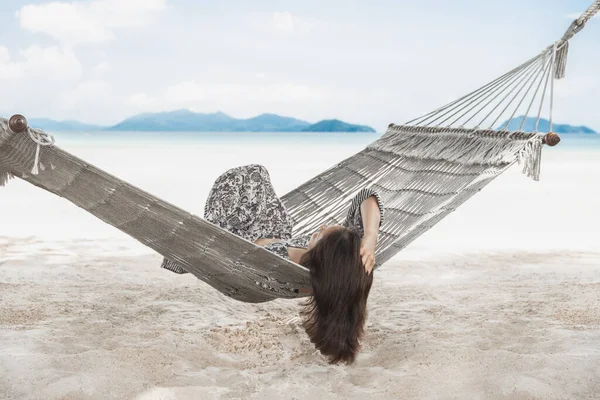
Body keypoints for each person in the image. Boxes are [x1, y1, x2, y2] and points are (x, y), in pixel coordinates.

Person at [161, 164, 384, 364]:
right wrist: (370, 238)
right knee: (258, 172)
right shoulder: (342, 259)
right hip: (266, 228)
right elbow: (366, 195)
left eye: (320, 233)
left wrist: (200, 251)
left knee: (243, 177)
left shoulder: (284, 272)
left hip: (231, 242)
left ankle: (204, 233)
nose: (322, 225)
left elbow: (235, 268)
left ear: (323, 255)